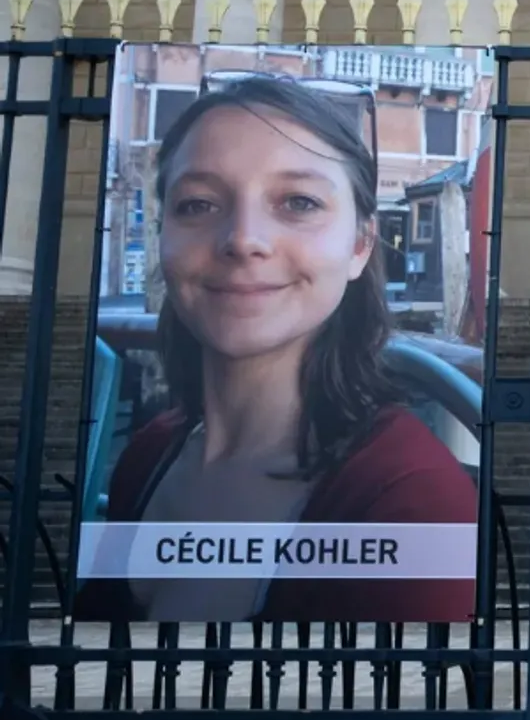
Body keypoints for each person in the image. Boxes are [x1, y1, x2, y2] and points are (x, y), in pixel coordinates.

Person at [75, 77, 478, 623]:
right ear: (164, 234)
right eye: (198, 204)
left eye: (297, 202)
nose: (243, 239)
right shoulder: (148, 454)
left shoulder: (414, 502)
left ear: (361, 243)